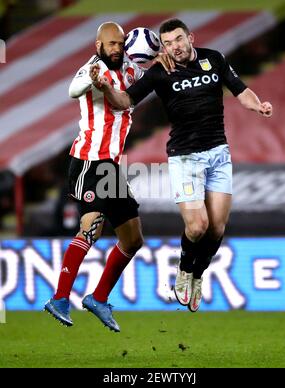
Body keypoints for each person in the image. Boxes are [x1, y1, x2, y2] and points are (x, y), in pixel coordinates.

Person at [97, 18, 273, 313]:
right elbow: (126, 100)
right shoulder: (160, 72)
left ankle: (197, 275)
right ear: (162, 47)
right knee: (197, 226)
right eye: (167, 43)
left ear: (190, 37)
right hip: (184, 157)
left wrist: (259, 105)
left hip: (218, 153)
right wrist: (105, 87)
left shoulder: (213, 59)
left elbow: (240, 89)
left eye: (178, 39)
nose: (174, 47)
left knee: (216, 229)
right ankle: (183, 268)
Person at [44, 22, 171, 332]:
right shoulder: (93, 67)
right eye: (110, 44)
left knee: (132, 238)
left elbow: (147, 75)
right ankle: (60, 298)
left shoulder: (128, 69)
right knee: (91, 229)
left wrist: (163, 59)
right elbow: (72, 90)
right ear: (98, 45)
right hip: (89, 160)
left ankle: (98, 298)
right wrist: (91, 80)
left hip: (110, 165)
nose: (115, 48)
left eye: (119, 43)